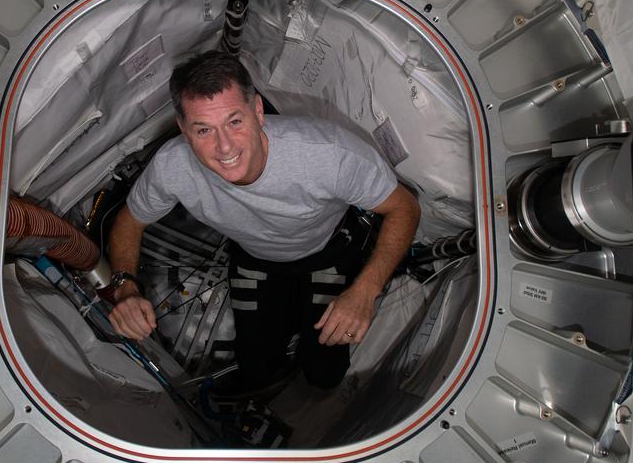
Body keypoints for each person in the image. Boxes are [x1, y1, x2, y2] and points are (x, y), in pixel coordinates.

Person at [107, 52, 420, 390]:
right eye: (203, 130)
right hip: (254, 258)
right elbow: (129, 221)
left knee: (324, 374)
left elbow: (405, 209)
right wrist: (125, 288)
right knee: (257, 370)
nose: (224, 146)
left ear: (258, 111)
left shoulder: (328, 154)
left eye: (234, 121)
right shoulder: (172, 168)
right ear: (183, 129)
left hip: (326, 252)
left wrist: (365, 291)